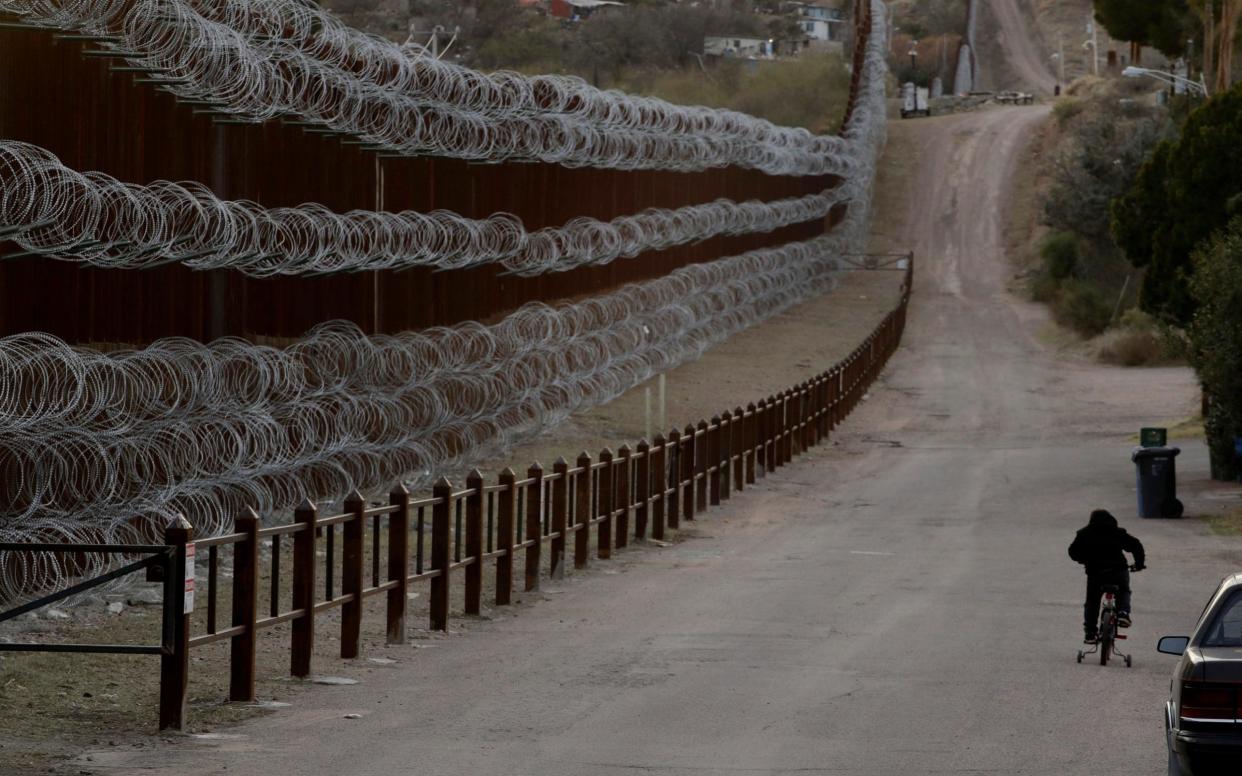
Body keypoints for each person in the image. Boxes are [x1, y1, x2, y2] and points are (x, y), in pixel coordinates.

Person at [1068, 509, 1145, 643]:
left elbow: (1073, 552)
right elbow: (1136, 545)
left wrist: (1084, 560)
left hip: (1096, 574)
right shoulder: (1117, 533)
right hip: (1118, 571)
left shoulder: (1084, 533)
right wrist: (1139, 564)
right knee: (1123, 591)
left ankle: (1090, 633)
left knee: (1092, 601)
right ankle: (1123, 613)